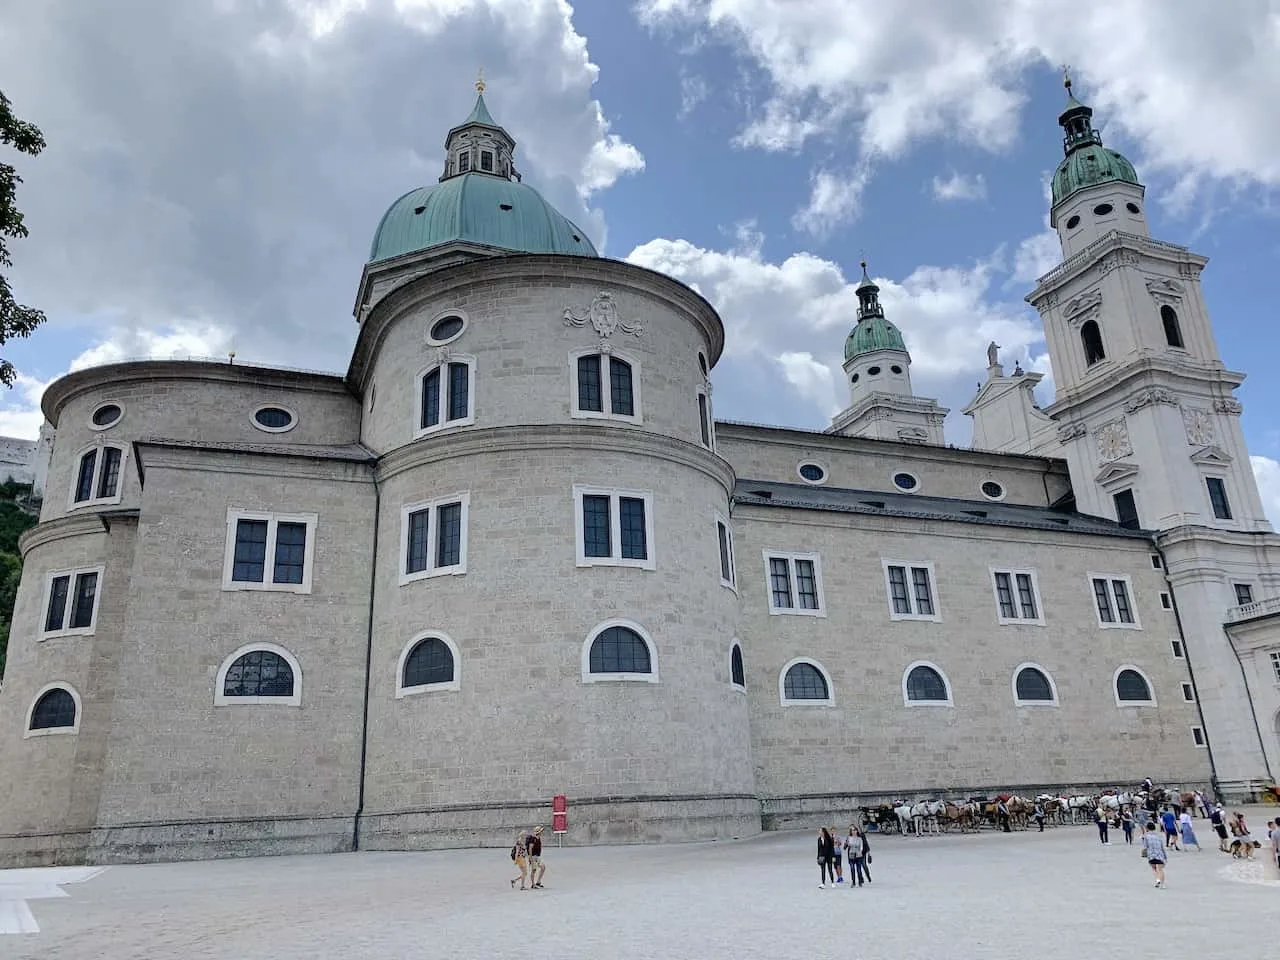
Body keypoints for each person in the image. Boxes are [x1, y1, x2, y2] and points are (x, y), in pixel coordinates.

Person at [1140, 820, 1168, 888]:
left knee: (1154, 869)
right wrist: (1165, 856)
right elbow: (1162, 847)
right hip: (1159, 854)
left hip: (1151, 855)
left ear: (1147, 828)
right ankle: (1162, 884)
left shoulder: (1146, 836)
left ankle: (1157, 880)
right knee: (1160, 869)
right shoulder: (1159, 835)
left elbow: (1145, 846)